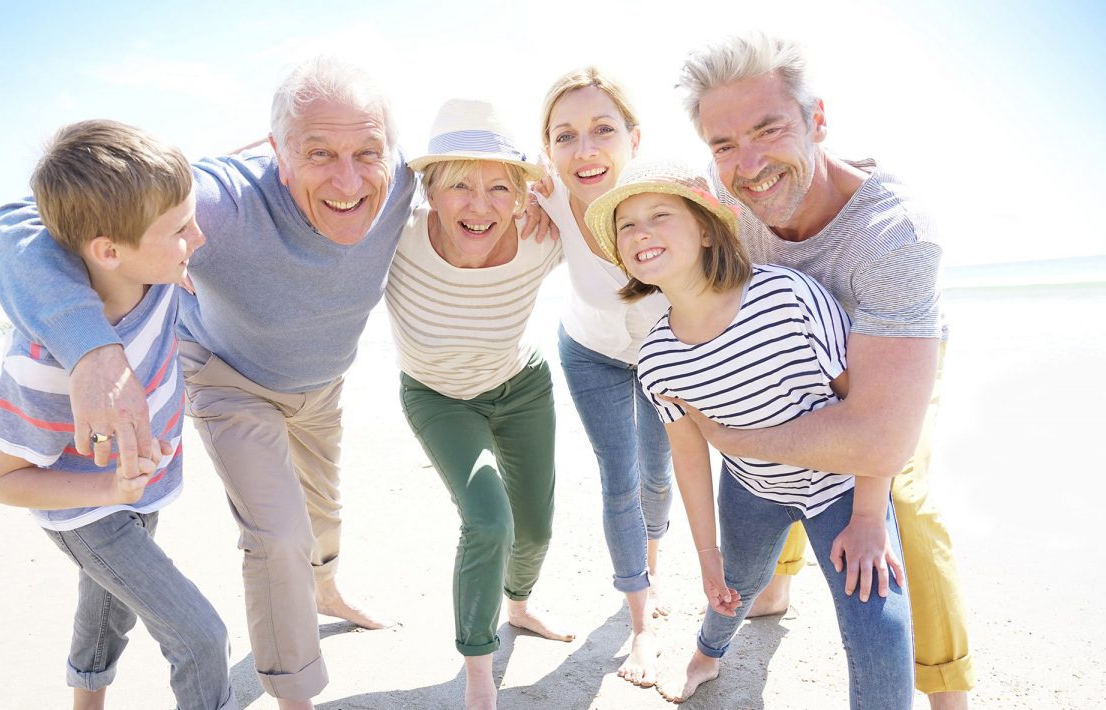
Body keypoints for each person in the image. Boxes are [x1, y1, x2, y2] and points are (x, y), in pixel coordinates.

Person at [0, 58, 414, 710]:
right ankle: (296, 693)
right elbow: (23, 223)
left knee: (318, 524)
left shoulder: (403, 181)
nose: (349, 179)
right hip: (229, 379)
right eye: (318, 153)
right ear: (277, 151)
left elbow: (491, 180)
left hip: (320, 385)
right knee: (273, 543)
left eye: (367, 151)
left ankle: (324, 588)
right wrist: (92, 350)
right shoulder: (217, 207)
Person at [677, 32, 972, 709]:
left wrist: (864, 510)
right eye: (724, 145)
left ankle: (949, 690)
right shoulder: (734, 212)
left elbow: (877, 436)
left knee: (903, 512)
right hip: (797, 368)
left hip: (890, 359)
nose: (748, 165)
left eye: (767, 129)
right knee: (786, 450)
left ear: (816, 120)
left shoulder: (894, 236)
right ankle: (775, 587)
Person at [586, 157, 914, 707]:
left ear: (709, 230)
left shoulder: (787, 295)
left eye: (659, 214)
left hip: (843, 489)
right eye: (626, 225)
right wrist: (706, 554)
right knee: (731, 587)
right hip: (752, 490)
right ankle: (705, 657)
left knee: (880, 623)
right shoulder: (657, 360)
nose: (640, 231)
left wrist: (866, 516)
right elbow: (688, 457)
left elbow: (863, 407)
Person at [0, 120, 233, 710]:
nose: (198, 236)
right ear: (107, 250)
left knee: (107, 612)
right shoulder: (43, 365)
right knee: (201, 637)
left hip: (140, 493)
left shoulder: (157, 276)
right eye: (179, 229)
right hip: (87, 513)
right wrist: (108, 484)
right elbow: (2, 482)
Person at [388, 99, 572, 710]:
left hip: (520, 385)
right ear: (430, 192)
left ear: (522, 195)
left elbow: (618, 221)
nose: (480, 204)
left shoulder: (543, 239)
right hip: (438, 396)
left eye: (500, 186)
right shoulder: (395, 240)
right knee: (489, 520)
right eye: (460, 185)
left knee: (536, 527)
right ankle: (477, 668)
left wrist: (560, 193)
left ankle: (519, 604)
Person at [536, 68, 673, 688]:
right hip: (589, 351)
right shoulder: (548, 195)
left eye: (602, 130)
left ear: (634, 138)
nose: (584, 151)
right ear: (547, 149)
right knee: (620, 479)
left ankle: (649, 565)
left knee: (658, 474)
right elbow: (451, 178)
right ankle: (640, 621)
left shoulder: (674, 195)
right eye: (565, 136)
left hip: (667, 357)